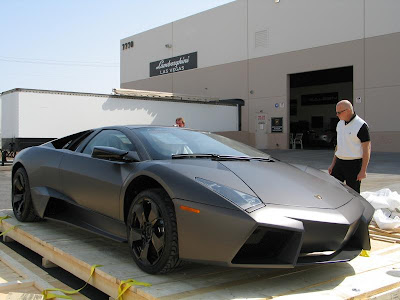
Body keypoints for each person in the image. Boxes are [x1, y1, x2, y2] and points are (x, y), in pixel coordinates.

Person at [328, 100, 371, 193]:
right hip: (339, 163)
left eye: (339, 112)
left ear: (347, 111)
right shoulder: (340, 124)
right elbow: (338, 146)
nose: (337, 115)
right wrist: (333, 164)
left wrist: (363, 170)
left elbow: (366, 149)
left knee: (353, 193)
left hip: (354, 165)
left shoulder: (361, 126)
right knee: (333, 189)